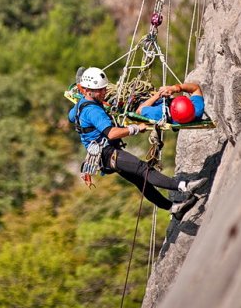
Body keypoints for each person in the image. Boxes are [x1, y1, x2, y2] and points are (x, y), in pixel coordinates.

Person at [68, 67, 207, 217]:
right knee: (143, 169)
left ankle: (173, 209)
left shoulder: (81, 105)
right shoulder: (93, 111)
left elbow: (71, 117)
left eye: (103, 89)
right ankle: (184, 186)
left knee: (141, 181)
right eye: (100, 90)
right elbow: (112, 133)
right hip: (108, 154)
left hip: (103, 155)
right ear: (89, 91)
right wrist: (134, 128)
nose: (104, 93)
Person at [136, 82, 205, 124]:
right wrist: (176, 88)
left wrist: (159, 94)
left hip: (143, 102)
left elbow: (139, 110)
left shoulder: (160, 114)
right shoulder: (196, 111)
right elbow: (196, 88)